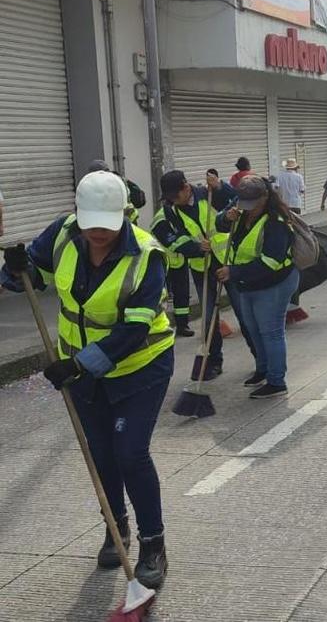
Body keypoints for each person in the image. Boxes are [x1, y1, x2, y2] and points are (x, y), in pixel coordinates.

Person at [0, 171, 173, 588]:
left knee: (130, 453)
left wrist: (80, 365)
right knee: (101, 455)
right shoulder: (62, 233)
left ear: (123, 214)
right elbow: (34, 278)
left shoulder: (146, 255)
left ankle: (154, 543)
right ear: (77, 212)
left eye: (106, 224)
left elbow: (134, 330)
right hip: (82, 371)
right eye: (89, 221)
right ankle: (118, 529)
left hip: (139, 368)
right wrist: (15, 269)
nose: (97, 231)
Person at [216, 176, 298, 399]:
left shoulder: (276, 222)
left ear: (265, 197)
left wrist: (233, 272)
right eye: (243, 203)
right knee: (252, 328)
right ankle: (262, 369)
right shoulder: (241, 210)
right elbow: (218, 224)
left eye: (252, 203)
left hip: (274, 282)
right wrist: (226, 218)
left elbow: (271, 262)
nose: (247, 208)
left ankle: (276, 380)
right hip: (247, 283)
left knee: (270, 332)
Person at [152, 170, 228, 378]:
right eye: (168, 198)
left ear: (186, 188)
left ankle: (263, 363)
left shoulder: (208, 194)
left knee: (246, 314)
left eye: (175, 196)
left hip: (229, 261)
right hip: (201, 267)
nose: (172, 201)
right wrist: (195, 248)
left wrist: (221, 187)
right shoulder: (167, 213)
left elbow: (236, 204)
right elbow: (167, 238)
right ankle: (214, 361)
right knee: (209, 317)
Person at [87, 160, 147, 224]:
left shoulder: (100, 185)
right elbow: (140, 199)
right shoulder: (121, 180)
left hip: (117, 222)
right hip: (129, 220)